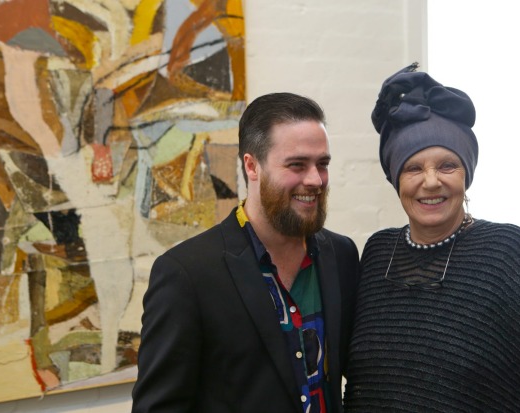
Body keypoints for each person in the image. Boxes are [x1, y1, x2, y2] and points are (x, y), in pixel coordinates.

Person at [343, 63, 520, 412]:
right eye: (413, 167)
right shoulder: (377, 254)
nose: (432, 181)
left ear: (467, 174)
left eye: (447, 165)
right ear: (395, 178)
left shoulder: (515, 254)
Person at [132, 92, 359, 413]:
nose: (315, 180)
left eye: (322, 164)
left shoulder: (342, 255)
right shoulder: (187, 274)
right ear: (252, 166)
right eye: (297, 165)